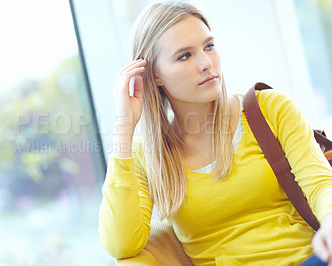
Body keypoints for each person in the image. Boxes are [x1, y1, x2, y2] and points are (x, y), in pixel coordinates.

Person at [98, 1, 332, 265]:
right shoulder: (148, 156)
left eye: (209, 46)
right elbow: (121, 243)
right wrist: (124, 129)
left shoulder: (270, 108)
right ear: (155, 75)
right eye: (184, 55)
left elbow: (321, 184)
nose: (206, 63)